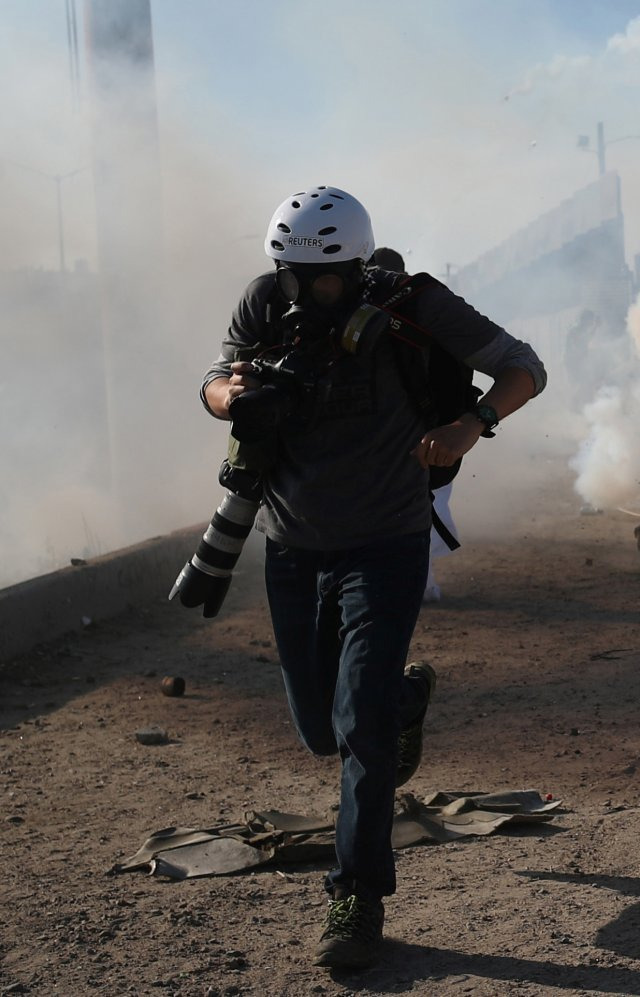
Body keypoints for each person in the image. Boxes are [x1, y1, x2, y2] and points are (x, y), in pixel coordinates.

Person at [201, 186, 547, 970]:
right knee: (319, 729)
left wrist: (471, 424)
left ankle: (356, 897)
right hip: (290, 548)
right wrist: (234, 395)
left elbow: (523, 368)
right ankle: (406, 699)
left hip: (385, 546)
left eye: (319, 279)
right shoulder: (265, 303)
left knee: (358, 726)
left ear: (355, 270)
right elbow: (214, 379)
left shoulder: (412, 306)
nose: (303, 292)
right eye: (291, 275)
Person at [372, 247, 459, 603]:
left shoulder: (367, 318)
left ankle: (415, 586)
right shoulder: (428, 309)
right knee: (424, 508)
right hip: (435, 434)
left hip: (403, 435)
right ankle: (421, 585)